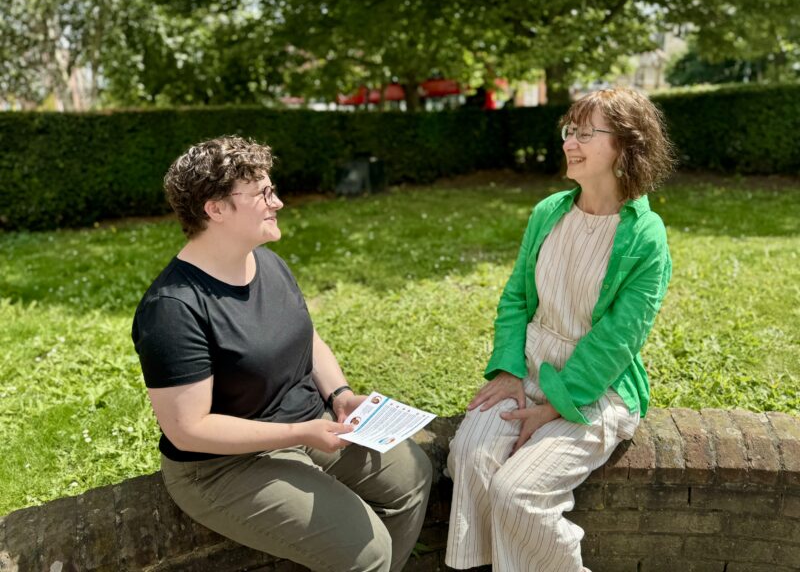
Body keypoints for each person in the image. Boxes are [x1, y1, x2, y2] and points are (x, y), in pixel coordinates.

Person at [132, 136, 432, 572]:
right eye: (264, 194)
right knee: (366, 552)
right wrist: (300, 434)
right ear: (215, 209)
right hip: (222, 468)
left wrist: (340, 396)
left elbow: (305, 339)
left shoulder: (267, 262)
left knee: (412, 477)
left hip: (307, 427)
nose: (280, 202)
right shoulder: (172, 309)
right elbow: (189, 430)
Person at [445, 87, 674, 571]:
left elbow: (619, 339)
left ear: (626, 146)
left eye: (586, 133)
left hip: (595, 389)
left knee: (517, 490)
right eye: (570, 131)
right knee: (470, 456)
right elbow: (516, 299)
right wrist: (508, 370)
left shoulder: (646, 236)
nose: (571, 142)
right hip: (529, 364)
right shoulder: (549, 211)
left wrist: (556, 405)